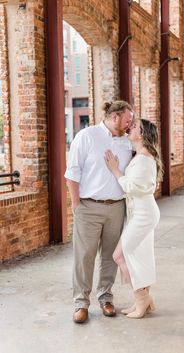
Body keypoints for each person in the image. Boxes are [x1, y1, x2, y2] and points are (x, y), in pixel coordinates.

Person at [64, 100, 133, 324]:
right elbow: (72, 173)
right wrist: (77, 205)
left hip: (116, 206)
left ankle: (105, 297)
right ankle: (81, 303)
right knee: (84, 256)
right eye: (127, 119)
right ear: (115, 117)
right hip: (88, 206)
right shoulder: (87, 136)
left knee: (110, 256)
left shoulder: (126, 142)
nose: (129, 124)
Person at [104, 118, 163, 319]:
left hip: (144, 214)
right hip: (139, 213)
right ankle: (145, 299)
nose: (130, 127)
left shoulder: (145, 159)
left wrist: (114, 169)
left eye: (135, 126)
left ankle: (142, 299)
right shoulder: (141, 156)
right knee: (139, 256)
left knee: (119, 256)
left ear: (143, 134)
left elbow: (131, 187)